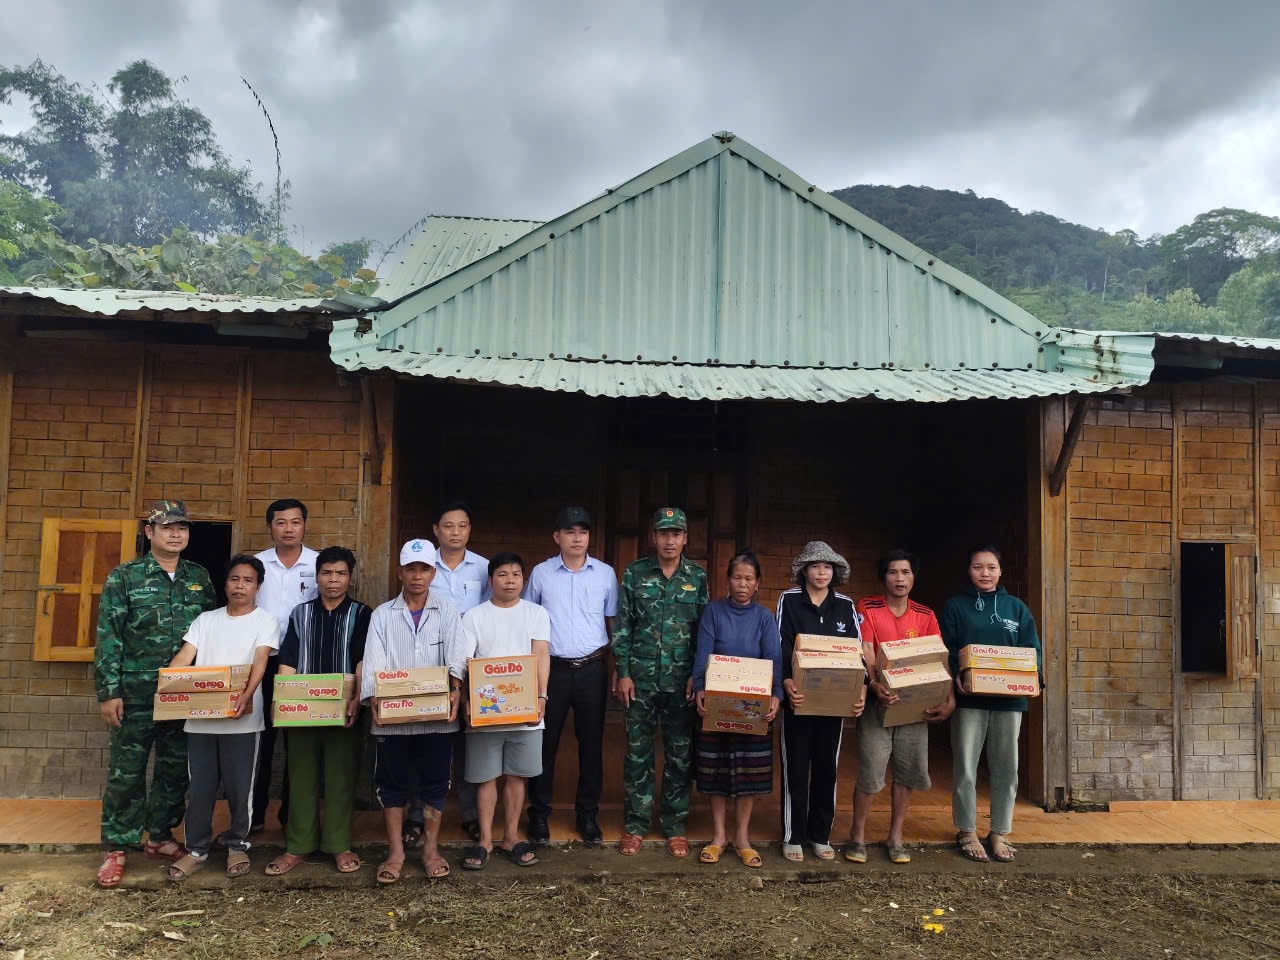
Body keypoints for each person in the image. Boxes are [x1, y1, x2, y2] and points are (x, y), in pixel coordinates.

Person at [93, 500, 217, 889]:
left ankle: (160, 836)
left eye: (181, 527)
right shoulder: (125, 577)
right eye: (166, 528)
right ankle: (117, 847)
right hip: (135, 692)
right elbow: (108, 637)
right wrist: (109, 691)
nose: (175, 534)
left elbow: (212, 633)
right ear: (149, 533)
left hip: (184, 695)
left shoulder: (199, 577)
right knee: (126, 773)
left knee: (174, 769)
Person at [164, 555, 279, 881]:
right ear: (225, 583)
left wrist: (246, 694)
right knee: (200, 788)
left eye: (248, 581)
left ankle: (237, 843)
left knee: (241, 787)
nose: (240, 586)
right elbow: (185, 657)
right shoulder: (206, 620)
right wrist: (168, 684)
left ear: (257, 587)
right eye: (234, 579)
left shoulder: (265, 620)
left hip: (242, 719)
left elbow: (260, 662)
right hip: (200, 719)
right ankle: (197, 849)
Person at [265, 546, 372, 877]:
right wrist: (280, 701)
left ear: (350, 578)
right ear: (317, 576)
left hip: (344, 709)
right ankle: (298, 846)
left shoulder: (362, 614)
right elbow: (288, 661)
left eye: (340, 573)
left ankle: (339, 845)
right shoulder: (301, 613)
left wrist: (356, 698)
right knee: (300, 777)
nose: (333, 580)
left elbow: (361, 659)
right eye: (327, 573)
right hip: (302, 708)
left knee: (341, 777)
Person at [360, 539, 462, 884]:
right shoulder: (382, 615)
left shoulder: (447, 612)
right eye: (411, 569)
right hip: (393, 718)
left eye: (424, 569)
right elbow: (374, 661)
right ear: (399, 571)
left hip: (437, 717)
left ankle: (431, 850)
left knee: (435, 783)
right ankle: (396, 852)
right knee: (392, 784)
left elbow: (456, 659)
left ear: (433, 572)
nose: (417, 576)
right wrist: (375, 697)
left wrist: (456, 690)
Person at [612, 507, 708, 859]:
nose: (670, 540)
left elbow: (703, 633)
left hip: (680, 683)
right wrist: (622, 671)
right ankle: (636, 825)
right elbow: (623, 626)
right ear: (653, 537)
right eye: (664, 533)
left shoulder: (696, 577)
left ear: (685, 538)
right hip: (639, 680)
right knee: (637, 754)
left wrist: (698, 679)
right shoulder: (635, 573)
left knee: (679, 756)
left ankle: (674, 825)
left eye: (676, 533)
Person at [850, 549, 953, 865]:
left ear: (913, 577)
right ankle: (857, 835)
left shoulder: (925, 615)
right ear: (884, 577)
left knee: (906, 772)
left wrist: (948, 697)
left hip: (913, 707)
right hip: (877, 704)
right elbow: (866, 651)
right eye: (893, 572)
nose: (899, 578)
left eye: (906, 572)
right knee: (870, 771)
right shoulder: (868, 607)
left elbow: (936, 658)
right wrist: (874, 684)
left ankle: (895, 836)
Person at [449, 553, 551, 870]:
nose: (510, 580)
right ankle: (484, 841)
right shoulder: (474, 617)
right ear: (491, 579)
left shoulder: (536, 613)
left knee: (518, 776)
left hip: (526, 711)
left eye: (517, 574)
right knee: (485, 778)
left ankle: (510, 836)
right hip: (486, 711)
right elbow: (464, 663)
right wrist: (464, 699)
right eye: (503, 574)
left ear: (524, 579)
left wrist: (542, 696)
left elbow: (541, 655)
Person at [942, 545, 1042, 864]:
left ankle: (999, 830)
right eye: (977, 567)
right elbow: (947, 646)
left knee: (1005, 768)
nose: (985, 573)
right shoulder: (957, 606)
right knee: (966, 767)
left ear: (1001, 571)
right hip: (970, 698)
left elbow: (1031, 650)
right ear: (968, 571)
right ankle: (967, 830)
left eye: (991, 567)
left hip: (1010, 700)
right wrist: (955, 674)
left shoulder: (1016, 608)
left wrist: (1034, 681)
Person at [524, 506, 618, 846]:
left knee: (591, 746)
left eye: (583, 531)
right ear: (557, 537)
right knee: (544, 744)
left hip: (593, 668)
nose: (577, 537)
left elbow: (612, 624)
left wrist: (617, 669)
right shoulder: (541, 574)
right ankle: (538, 815)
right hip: (552, 669)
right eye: (570, 531)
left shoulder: (605, 574)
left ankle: (588, 815)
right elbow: (527, 622)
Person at [404, 501, 489, 849]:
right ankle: (414, 815)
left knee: (470, 745)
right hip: (427, 666)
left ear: (470, 530)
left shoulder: (483, 568)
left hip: (472, 668)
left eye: (463, 526)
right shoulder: (422, 564)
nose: (456, 532)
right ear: (436, 530)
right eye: (449, 526)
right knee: (420, 741)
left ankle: (469, 816)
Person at [775, 540, 864, 864]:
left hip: (834, 704)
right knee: (796, 768)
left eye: (827, 567)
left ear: (835, 571)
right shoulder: (789, 600)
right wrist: (785, 681)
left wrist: (860, 689)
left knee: (827, 769)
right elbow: (781, 643)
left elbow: (857, 651)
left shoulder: (844, 605)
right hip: (798, 700)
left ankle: (819, 835)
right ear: (804, 570)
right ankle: (793, 835)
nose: (821, 572)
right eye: (815, 566)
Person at [692, 550, 782, 869]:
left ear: (758, 584)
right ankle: (718, 836)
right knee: (716, 769)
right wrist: (700, 685)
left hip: (753, 706)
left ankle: (742, 837)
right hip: (718, 702)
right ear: (727, 580)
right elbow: (703, 652)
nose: (742, 584)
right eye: (736, 577)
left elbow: (773, 658)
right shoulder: (713, 612)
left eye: (749, 578)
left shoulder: (764, 618)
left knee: (748, 772)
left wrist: (776, 695)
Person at [252, 498, 319, 832]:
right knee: (260, 741)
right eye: (281, 522)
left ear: (304, 525)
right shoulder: (256, 564)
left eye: (295, 522)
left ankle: (293, 815)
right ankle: (253, 816)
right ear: (270, 527)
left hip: (304, 666)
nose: (288, 528)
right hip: (262, 664)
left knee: (299, 744)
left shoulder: (319, 564)